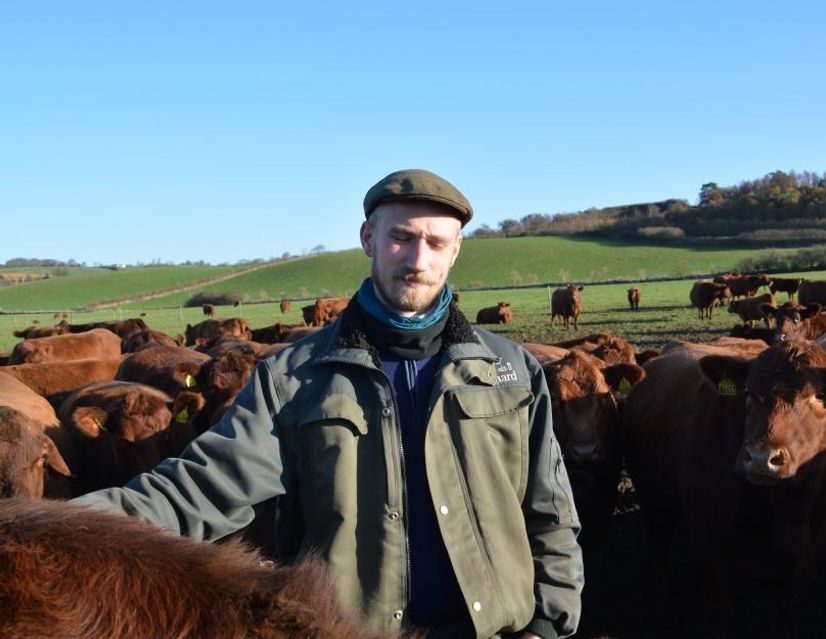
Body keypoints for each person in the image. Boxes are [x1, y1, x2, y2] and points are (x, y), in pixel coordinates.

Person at [74, 169, 584, 639]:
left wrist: (546, 624)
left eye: (435, 242)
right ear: (369, 239)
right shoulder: (294, 377)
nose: (417, 259)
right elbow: (199, 489)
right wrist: (54, 531)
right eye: (401, 238)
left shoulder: (511, 371)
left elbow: (551, 513)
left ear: (456, 252)